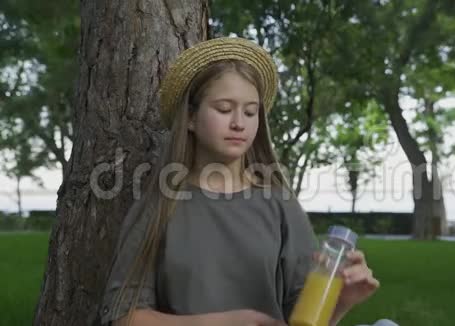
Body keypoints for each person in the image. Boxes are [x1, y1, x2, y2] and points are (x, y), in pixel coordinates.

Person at [98, 37, 379, 326]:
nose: (239, 123)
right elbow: (123, 316)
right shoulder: (160, 206)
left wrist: (341, 300)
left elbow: (304, 319)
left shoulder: (279, 204)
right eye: (223, 108)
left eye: (250, 111)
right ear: (191, 118)